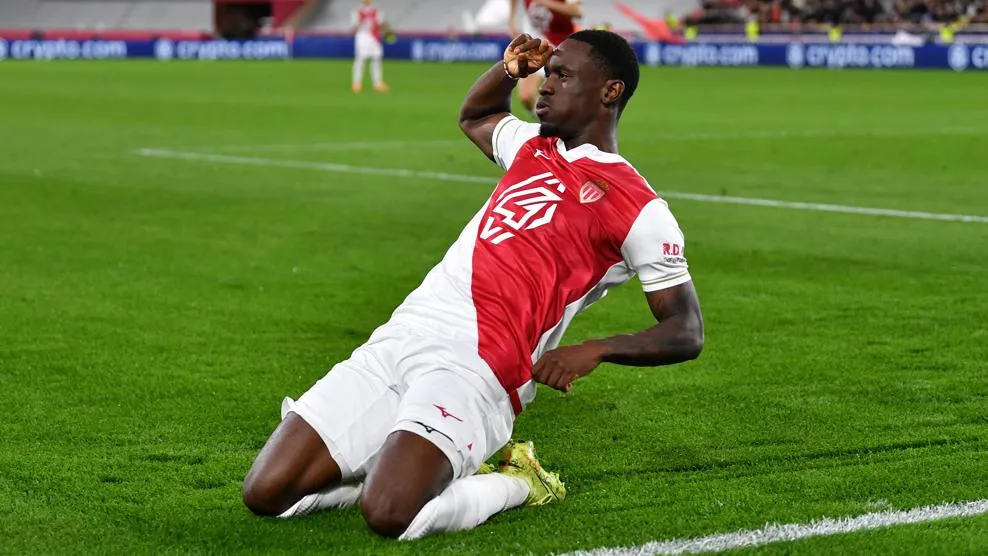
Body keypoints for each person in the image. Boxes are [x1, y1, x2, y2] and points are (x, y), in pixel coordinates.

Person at [242, 30, 705, 541]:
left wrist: (596, 349)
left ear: (610, 91)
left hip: (480, 366)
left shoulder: (638, 207)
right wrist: (508, 71)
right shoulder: (531, 145)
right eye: (547, 72)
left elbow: (685, 329)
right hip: (404, 333)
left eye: (562, 75)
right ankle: (390, 466)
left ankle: (519, 482)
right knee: (266, 493)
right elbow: (476, 116)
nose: (545, 85)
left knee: (392, 514)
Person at [508, 0, 582, 115]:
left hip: (561, 46)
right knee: (526, 96)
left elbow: (577, 11)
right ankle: (544, 120)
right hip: (536, 43)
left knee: (563, 99)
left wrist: (546, 3)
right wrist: (512, 21)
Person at [351, 0, 389, 93]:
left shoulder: (376, 11)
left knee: (376, 58)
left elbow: (381, 24)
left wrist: (385, 27)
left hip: (374, 37)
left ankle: (377, 83)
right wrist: (361, 23)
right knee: (361, 58)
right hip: (362, 36)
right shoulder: (357, 12)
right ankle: (356, 82)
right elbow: (353, 27)